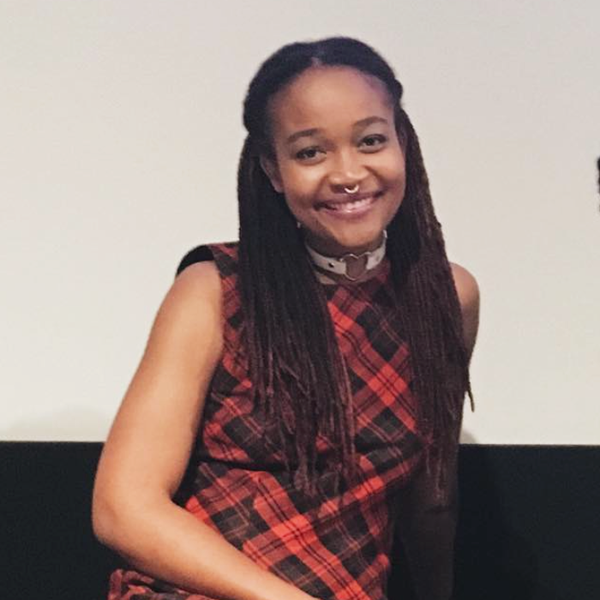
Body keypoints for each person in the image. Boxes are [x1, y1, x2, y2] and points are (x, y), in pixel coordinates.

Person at [92, 37, 480, 600]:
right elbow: (123, 509)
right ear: (273, 170)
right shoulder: (214, 290)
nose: (348, 173)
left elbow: (432, 501)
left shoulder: (446, 296)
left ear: (403, 143)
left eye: (371, 140)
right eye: (310, 153)